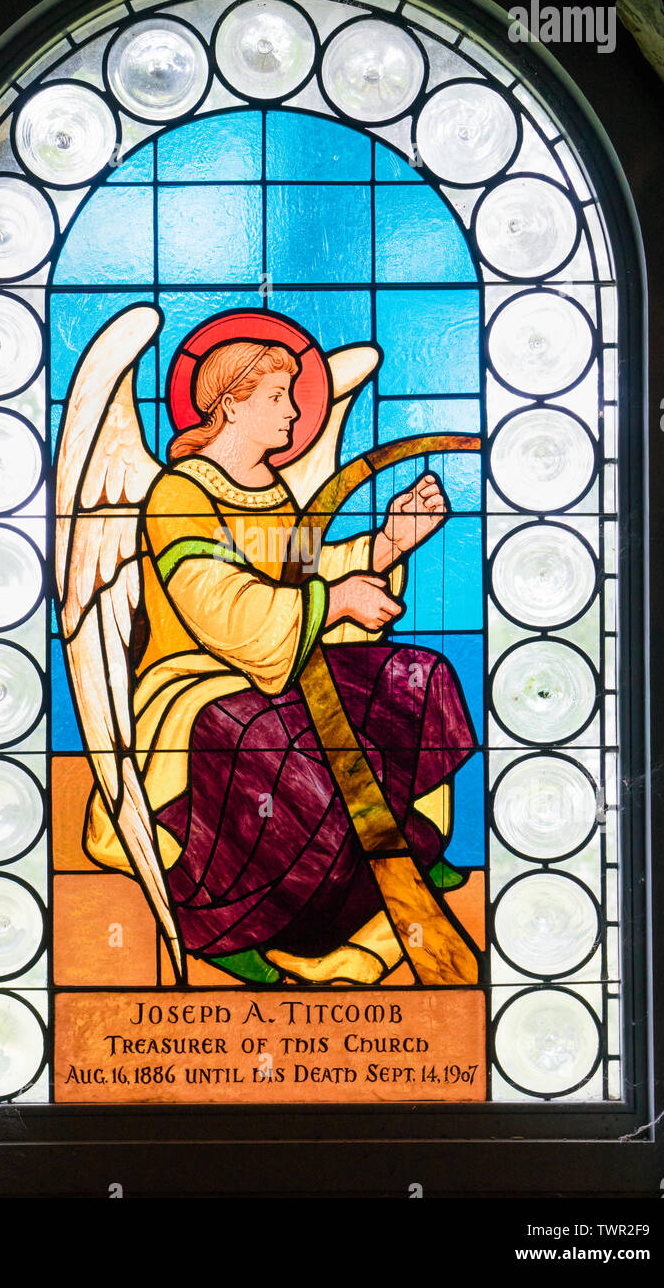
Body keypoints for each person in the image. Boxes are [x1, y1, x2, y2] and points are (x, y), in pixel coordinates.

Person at [118, 335, 477, 985]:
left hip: (287, 662)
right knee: (276, 742)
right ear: (228, 406)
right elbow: (219, 605)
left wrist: (389, 543)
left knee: (418, 678)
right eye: (278, 396)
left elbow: (296, 576)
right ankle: (232, 920)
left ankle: (411, 848)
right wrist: (335, 599)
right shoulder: (180, 494)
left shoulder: (272, 490)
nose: (293, 412)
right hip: (197, 685)